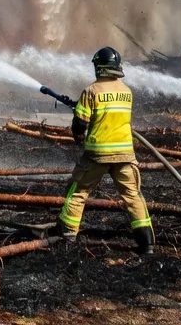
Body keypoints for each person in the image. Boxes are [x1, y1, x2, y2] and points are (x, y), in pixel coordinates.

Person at [55, 47, 155, 254]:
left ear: (98, 67)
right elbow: (110, 115)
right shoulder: (126, 91)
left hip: (97, 154)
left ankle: (68, 234)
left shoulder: (91, 91)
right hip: (125, 155)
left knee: (78, 191)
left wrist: (78, 135)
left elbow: (81, 124)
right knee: (133, 196)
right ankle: (147, 244)